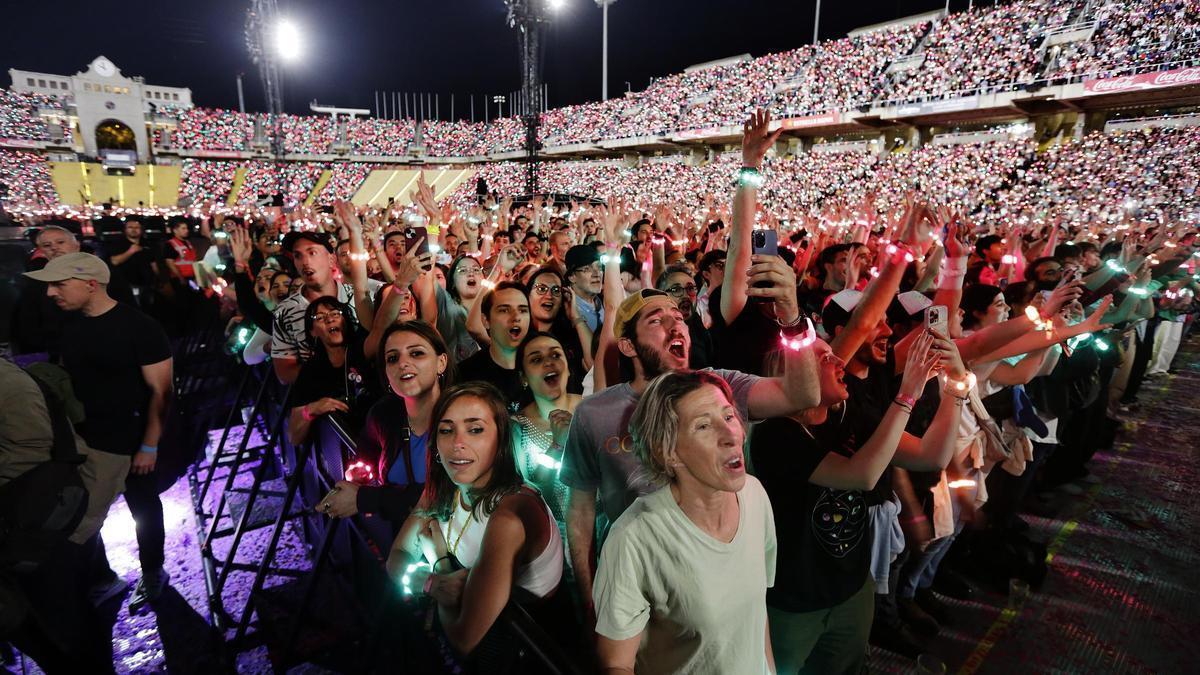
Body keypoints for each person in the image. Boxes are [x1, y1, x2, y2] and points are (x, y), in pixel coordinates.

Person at [561, 284, 820, 625]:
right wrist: (589, 593)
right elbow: (580, 511)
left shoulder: (717, 388)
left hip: (718, 572)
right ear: (628, 345)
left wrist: (790, 318)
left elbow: (802, 395)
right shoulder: (595, 414)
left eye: (678, 317)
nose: (676, 326)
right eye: (656, 320)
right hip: (639, 579)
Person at [750, 334, 951, 674]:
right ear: (792, 375)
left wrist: (958, 389)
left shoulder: (847, 414)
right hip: (794, 600)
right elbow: (861, 476)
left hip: (853, 589)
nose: (839, 362)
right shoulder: (775, 434)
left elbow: (933, 454)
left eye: (833, 354)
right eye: (823, 358)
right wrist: (906, 396)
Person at [593, 371, 777, 675]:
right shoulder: (635, 538)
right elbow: (616, 664)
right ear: (668, 453)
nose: (730, 434)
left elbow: (757, 618)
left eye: (729, 416)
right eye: (703, 425)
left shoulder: (754, 495)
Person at [22, 252, 174, 614]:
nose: (50, 293)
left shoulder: (140, 327)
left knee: (144, 510)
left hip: (131, 441)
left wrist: (149, 445)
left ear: (90, 284)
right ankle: (101, 579)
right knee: (81, 518)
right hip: (87, 440)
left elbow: (162, 392)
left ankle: (153, 572)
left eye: (59, 284)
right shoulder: (69, 327)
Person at [386, 382, 566, 663]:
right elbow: (396, 558)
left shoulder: (510, 515)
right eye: (447, 430)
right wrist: (430, 584)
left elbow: (464, 638)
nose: (458, 443)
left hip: (532, 650)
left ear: (501, 439)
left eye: (475, 429)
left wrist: (440, 560)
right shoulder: (444, 487)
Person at [318, 321, 451, 535]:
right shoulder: (383, 414)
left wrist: (366, 499)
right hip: (402, 543)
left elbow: (450, 496)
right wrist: (359, 475)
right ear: (387, 374)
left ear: (441, 362)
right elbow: (367, 452)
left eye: (416, 353)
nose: (403, 364)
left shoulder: (463, 416)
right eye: (393, 358)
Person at [271, 230, 380, 384]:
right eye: (298, 256)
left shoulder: (361, 298)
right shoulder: (285, 311)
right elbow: (284, 373)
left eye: (312, 253)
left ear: (331, 260)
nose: (305, 262)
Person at [511, 331, 580, 542]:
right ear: (524, 377)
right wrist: (557, 446)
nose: (549, 363)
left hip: (602, 527)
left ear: (568, 368)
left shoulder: (593, 409)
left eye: (555, 355)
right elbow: (528, 491)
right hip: (551, 537)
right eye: (537, 359)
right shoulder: (517, 426)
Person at [288, 297, 379, 445]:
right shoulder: (310, 371)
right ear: (312, 331)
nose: (329, 319)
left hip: (378, 434)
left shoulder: (364, 349)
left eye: (335, 313)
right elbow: (293, 437)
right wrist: (311, 409)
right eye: (320, 317)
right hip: (346, 450)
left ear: (346, 320)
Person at [455, 282, 530, 404]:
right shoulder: (465, 375)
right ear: (485, 321)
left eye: (523, 310)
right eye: (504, 310)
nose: (516, 317)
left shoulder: (541, 367)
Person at [524, 266, 591, 393]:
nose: (549, 295)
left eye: (556, 290)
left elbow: (593, 366)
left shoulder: (570, 337)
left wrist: (575, 315)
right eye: (541, 289)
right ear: (528, 295)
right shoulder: (517, 333)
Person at [656, 264, 712, 369]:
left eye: (690, 288)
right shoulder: (654, 332)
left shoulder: (699, 326)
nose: (685, 295)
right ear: (661, 295)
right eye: (676, 289)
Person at [564, 244, 605, 333]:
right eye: (587, 269)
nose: (596, 273)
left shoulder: (605, 302)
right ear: (572, 276)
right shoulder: (565, 313)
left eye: (599, 267)